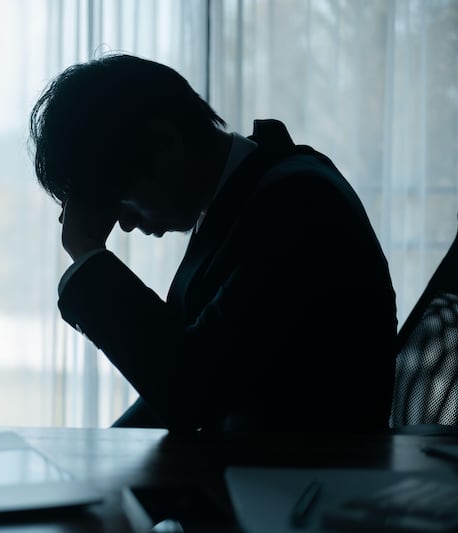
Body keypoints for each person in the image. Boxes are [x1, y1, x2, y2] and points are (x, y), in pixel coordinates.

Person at [28, 53, 397, 433]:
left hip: (305, 479)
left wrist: (88, 249)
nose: (124, 223)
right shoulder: (250, 197)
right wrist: (99, 456)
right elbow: (177, 372)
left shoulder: (298, 205)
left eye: (121, 199)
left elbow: (193, 391)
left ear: (164, 145)